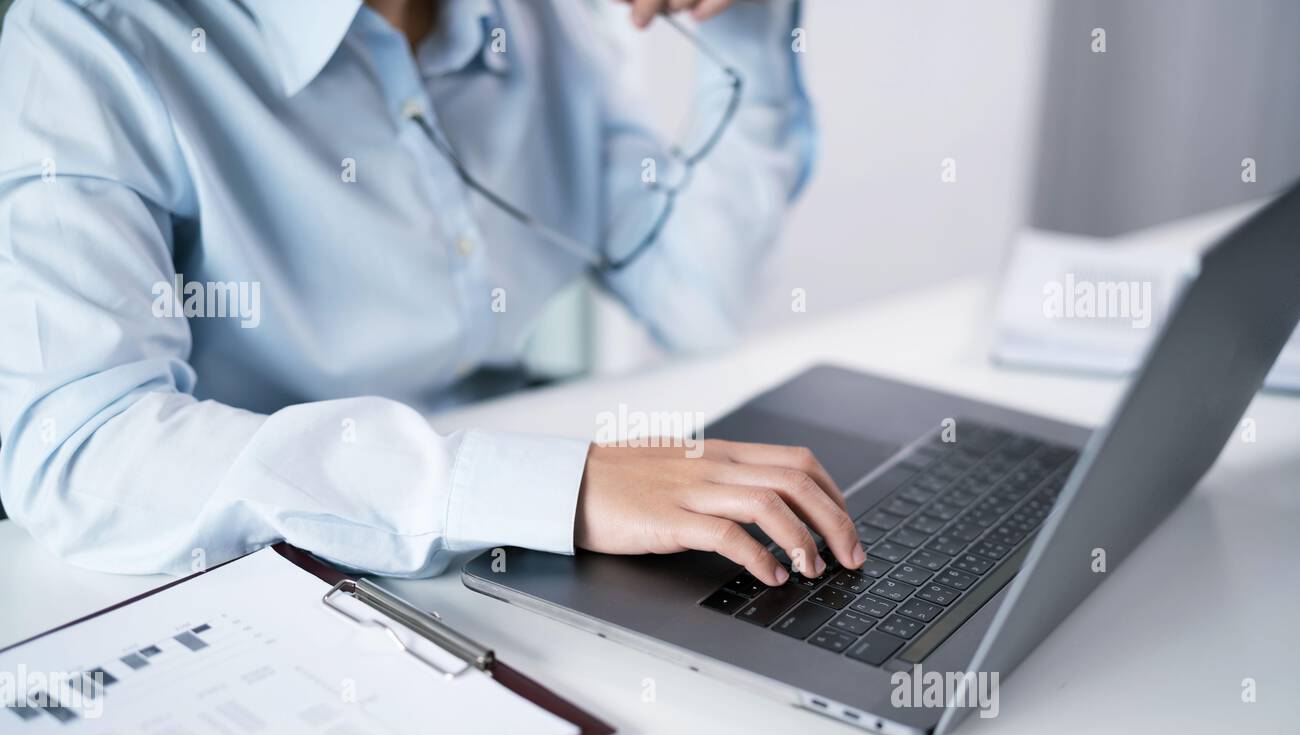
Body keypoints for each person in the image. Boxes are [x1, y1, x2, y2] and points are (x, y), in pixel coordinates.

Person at [0, 0, 866, 586]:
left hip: (522, 534)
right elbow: (78, 452)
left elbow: (698, 302)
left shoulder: (546, 21)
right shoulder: (89, 40)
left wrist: (749, 25)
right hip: (275, 573)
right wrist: (547, 489)